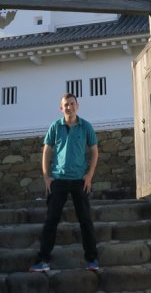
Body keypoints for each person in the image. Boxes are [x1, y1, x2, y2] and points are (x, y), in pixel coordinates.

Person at [30, 93, 100, 272]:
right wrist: (46, 177)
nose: (69, 107)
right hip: (59, 179)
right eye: (65, 105)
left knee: (85, 221)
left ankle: (92, 260)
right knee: (51, 220)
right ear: (61, 108)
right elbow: (47, 151)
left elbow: (94, 151)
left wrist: (89, 175)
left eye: (72, 103)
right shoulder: (55, 126)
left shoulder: (86, 127)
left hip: (79, 180)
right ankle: (43, 260)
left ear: (77, 105)